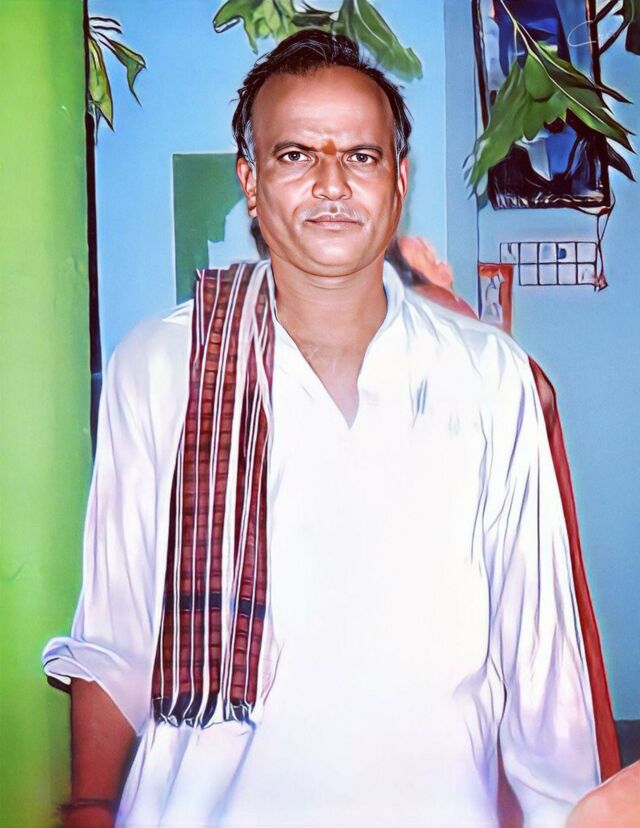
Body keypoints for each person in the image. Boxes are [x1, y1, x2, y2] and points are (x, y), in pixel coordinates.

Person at [43, 29, 605, 828]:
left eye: (361, 156)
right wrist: (91, 805)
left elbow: (541, 659)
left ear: (398, 180)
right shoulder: (163, 366)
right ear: (251, 181)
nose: (332, 182)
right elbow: (115, 633)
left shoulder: (490, 378)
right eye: (296, 155)